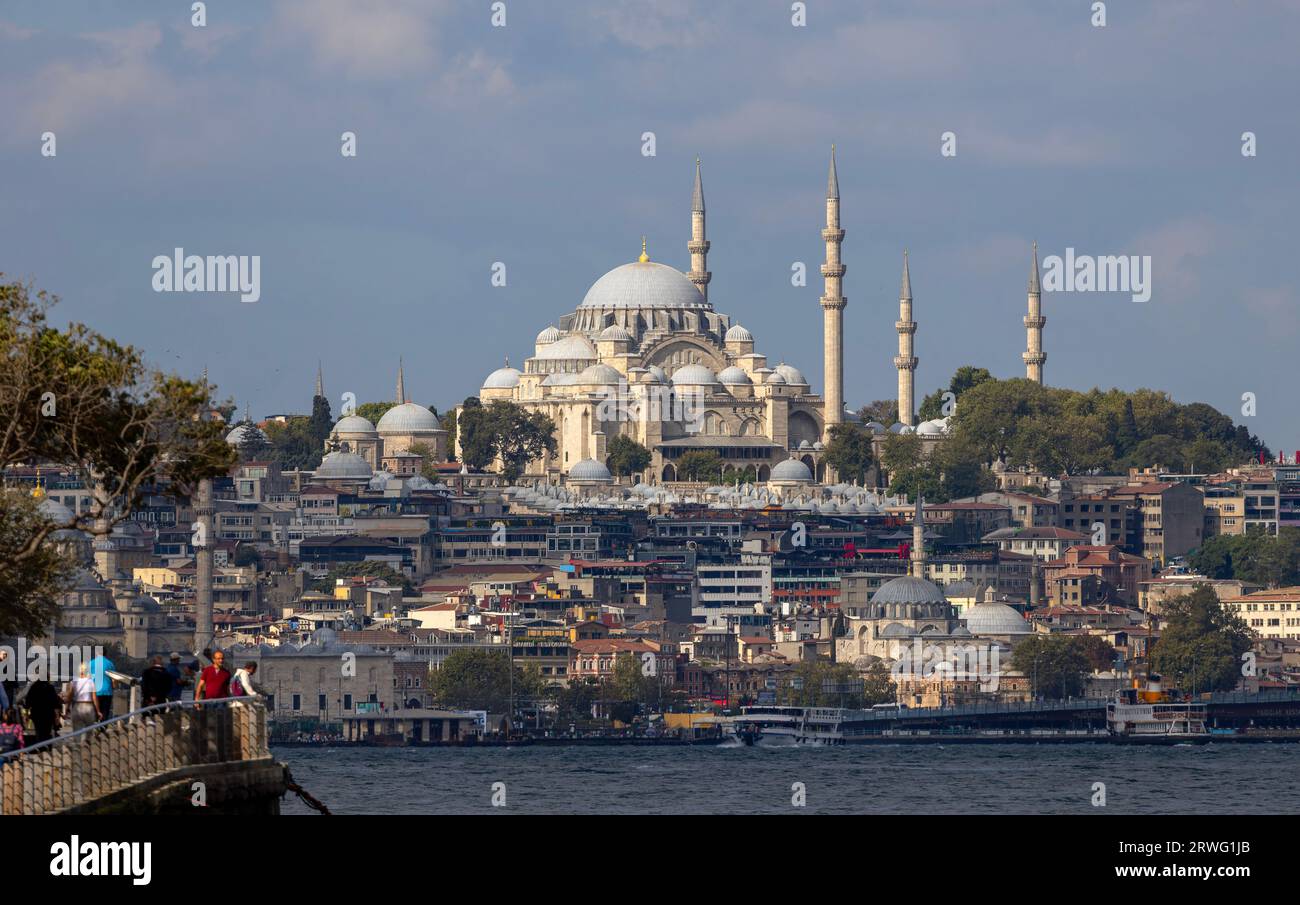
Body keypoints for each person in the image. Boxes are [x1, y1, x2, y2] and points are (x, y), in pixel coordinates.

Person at [23, 667, 62, 743]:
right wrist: (57, 717)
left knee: (39, 732)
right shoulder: (50, 688)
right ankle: (46, 747)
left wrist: (26, 715)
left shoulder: (34, 687)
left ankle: (40, 748)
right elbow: (56, 703)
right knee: (47, 732)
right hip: (48, 715)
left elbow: (28, 702)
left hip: (36, 714)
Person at [64, 664, 100, 730]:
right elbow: (94, 698)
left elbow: (70, 697)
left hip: (77, 706)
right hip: (88, 706)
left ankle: (78, 740)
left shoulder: (74, 682)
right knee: (89, 730)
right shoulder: (91, 682)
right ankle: (86, 740)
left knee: (77, 730)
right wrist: (98, 711)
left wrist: (67, 708)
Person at [87, 651, 116, 720]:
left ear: (97, 653)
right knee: (105, 712)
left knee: (95, 712)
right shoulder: (110, 664)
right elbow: (114, 679)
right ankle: (103, 728)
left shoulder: (91, 663)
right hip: (107, 691)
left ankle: (96, 727)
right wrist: (113, 687)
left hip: (95, 692)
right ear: (106, 654)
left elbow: (88, 678)